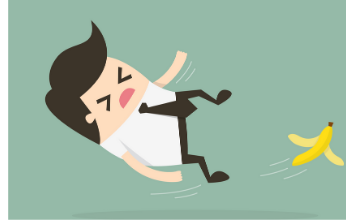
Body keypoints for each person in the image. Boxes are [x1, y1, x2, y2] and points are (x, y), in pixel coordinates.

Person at [44, 22, 231, 183]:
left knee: (195, 94)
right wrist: (166, 176)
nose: (122, 91)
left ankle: (216, 101)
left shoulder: (142, 90)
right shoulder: (111, 136)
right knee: (196, 157)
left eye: (123, 76)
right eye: (105, 100)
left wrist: (176, 66)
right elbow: (132, 161)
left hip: (165, 106)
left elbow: (156, 83)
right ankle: (209, 176)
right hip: (160, 144)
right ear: (90, 116)